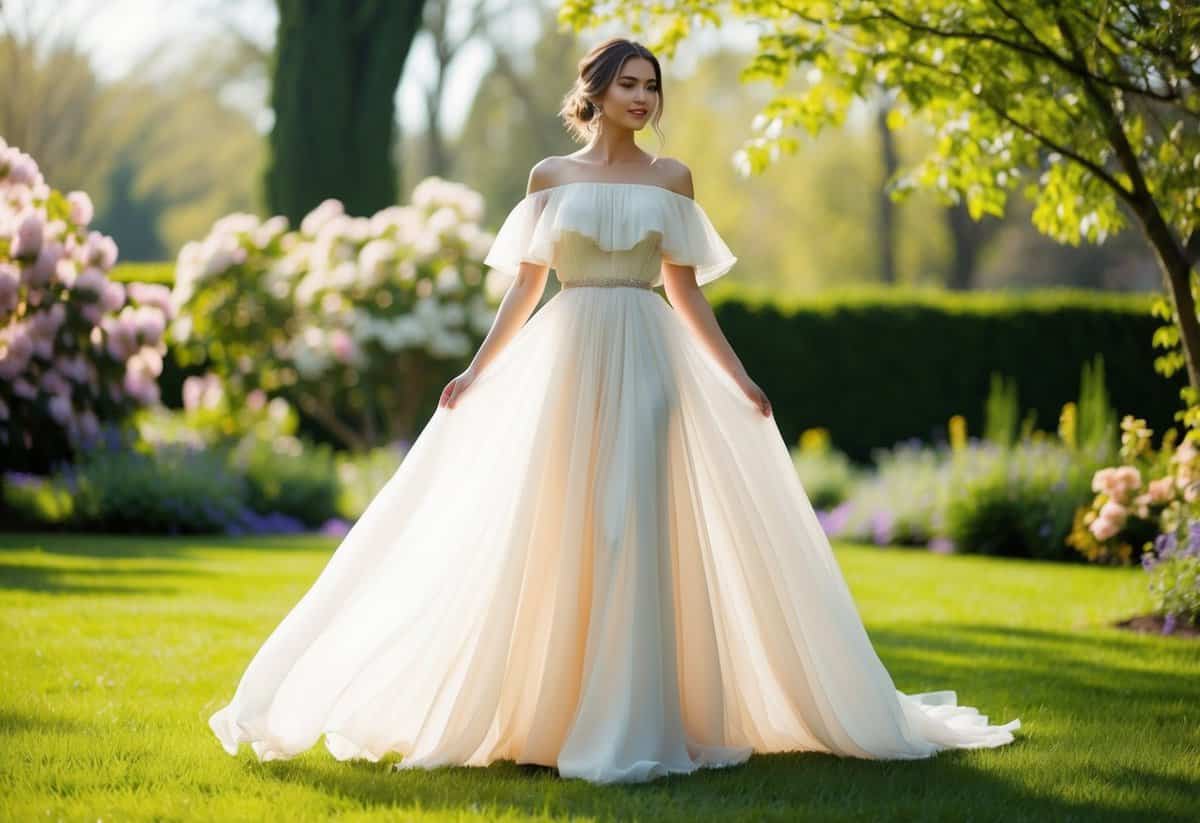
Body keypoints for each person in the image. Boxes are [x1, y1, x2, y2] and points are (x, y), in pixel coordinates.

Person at [208, 36, 1021, 785]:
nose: (643, 97)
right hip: (562, 359)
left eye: (652, 87)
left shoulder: (673, 179)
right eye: (628, 83)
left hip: (647, 358)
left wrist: (739, 378)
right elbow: (526, 286)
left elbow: (686, 290)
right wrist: (476, 369)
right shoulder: (548, 179)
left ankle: (636, 716)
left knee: (632, 524)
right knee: (562, 526)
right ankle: (548, 716)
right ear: (593, 92)